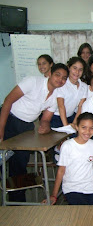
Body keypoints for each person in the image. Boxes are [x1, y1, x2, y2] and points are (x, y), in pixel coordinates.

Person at [0, 63, 69, 202]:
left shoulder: (55, 97)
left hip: (26, 128)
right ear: (50, 73)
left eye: (64, 78)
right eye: (57, 75)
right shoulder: (32, 82)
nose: (60, 80)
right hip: (8, 120)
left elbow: (45, 119)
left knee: (19, 166)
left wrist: (45, 127)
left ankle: (17, 204)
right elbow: (7, 101)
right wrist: (0, 131)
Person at [48, 112, 93, 205]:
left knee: (92, 215)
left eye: (91, 128)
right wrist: (54, 195)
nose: (87, 131)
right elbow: (61, 170)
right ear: (76, 127)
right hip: (72, 188)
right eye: (83, 127)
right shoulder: (68, 145)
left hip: (91, 188)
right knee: (81, 213)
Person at [51, 57, 88, 128]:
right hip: (57, 117)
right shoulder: (62, 83)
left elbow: (80, 106)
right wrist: (66, 126)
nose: (77, 72)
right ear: (69, 68)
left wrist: (74, 123)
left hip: (72, 117)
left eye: (80, 70)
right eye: (74, 68)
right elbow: (61, 106)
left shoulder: (84, 86)